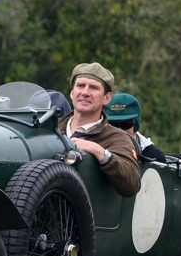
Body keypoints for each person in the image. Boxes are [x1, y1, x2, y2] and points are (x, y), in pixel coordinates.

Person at [59, 62, 141, 197]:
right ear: (72, 93)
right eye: (80, 86)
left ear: (107, 98)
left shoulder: (116, 138)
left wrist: (101, 153)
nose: (85, 92)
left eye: (93, 88)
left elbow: (132, 184)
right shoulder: (52, 129)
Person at [105, 92, 166, 163]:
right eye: (113, 124)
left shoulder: (153, 155)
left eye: (125, 124)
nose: (119, 130)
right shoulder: (95, 148)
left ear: (136, 124)